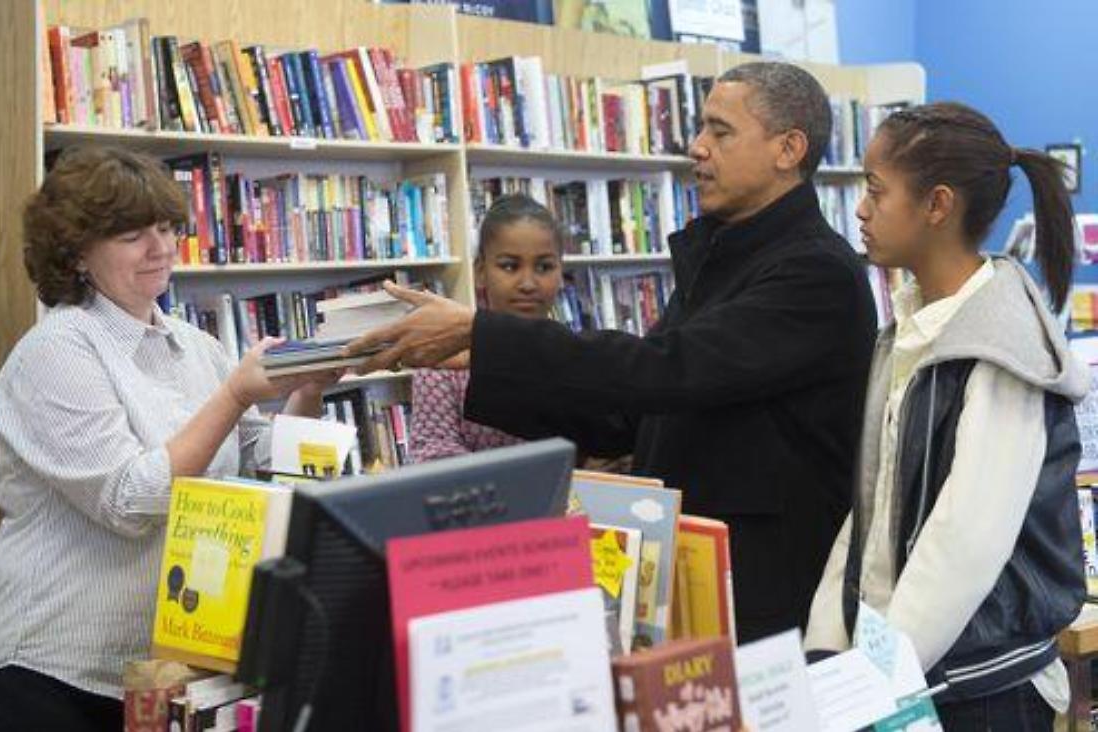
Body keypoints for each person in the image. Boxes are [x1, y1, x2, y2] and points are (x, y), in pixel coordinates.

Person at [347, 62, 878, 642]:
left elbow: (671, 369)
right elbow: (628, 414)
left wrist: (485, 336)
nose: (697, 148)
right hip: (686, 583)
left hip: (762, 601)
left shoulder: (814, 272)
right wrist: (482, 360)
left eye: (720, 132)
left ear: (787, 148)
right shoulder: (728, 257)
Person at [0, 146, 340, 731]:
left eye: (168, 228)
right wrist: (235, 395)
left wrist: (312, 390)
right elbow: (130, 501)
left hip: (164, 670)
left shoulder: (195, 345)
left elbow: (264, 466)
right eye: (132, 234)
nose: (161, 248)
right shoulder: (54, 352)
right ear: (76, 252)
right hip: (54, 672)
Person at [804, 102, 1087, 730]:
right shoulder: (909, 328)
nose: (861, 208)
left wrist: (871, 684)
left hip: (981, 691)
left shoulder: (998, 347)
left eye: (877, 191)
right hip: (905, 672)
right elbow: (874, 509)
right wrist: (828, 639)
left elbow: (965, 542)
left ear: (937, 205)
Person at [410, 194, 564, 462]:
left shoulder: (579, 356)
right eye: (509, 266)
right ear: (481, 271)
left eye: (544, 267)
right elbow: (432, 455)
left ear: (561, 272)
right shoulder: (444, 362)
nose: (528, 283)